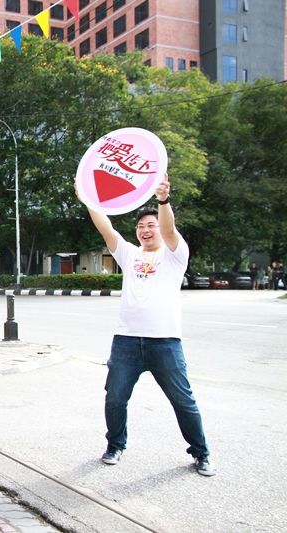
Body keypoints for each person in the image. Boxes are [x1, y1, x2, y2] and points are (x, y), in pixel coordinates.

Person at [77, 175, 216, 476]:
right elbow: (106, 227)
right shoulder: (129, 254)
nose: (145, 230)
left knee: (183, 400)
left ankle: (201, 453)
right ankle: (115, 445)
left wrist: (163, 201)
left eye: (150, 225)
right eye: (141, 226)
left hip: (164, 341)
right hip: (126, 341)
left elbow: (169, 228)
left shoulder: (175, 255)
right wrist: (88, 198)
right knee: (115, 398)